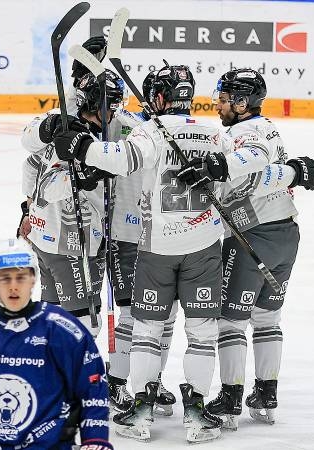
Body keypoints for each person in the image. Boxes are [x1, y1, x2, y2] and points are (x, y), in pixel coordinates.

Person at [52, 62, 227, 444]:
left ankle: (142, 408)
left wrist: (81, 146)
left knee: (147, 328)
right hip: (204, 249)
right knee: (201, 333)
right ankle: (197, 413)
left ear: (159, 97)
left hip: (157, 249)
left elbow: (119, 158)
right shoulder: (214, 134)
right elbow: (233, 174)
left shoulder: (150, 132)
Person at [176, 68, 314, 429]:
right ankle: (266, 391)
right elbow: (267, 168)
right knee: (268, 318)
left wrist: (217, 165)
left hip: (252, 234)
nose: (219, 106)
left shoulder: (243, 133)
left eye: (225, 100)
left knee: (230, 321)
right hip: (286, 234)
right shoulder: (268, 126)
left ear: (242, 103)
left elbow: (252, 158)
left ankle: (230, 396)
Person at [0, 238, 113, 450]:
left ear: (33, 279)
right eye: (5, 278)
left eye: (21, 277)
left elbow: (92, 385)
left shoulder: (62, 330)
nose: (13, 287)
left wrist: (95, 440)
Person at [18, 69, 126, 337]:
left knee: (51, 318)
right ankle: (72, 376)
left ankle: (50, 373)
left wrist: (27, 211)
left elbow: (31, 165)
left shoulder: (94, 129)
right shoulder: (63, 129)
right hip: (70, 243)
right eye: (109, 108)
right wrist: (80, 178)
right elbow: (46, 184)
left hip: (48, 238)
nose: (113, 115)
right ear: (93, 104)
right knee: (84, 325)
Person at [105, 69, 177, 417]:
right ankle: (116, 380)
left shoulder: (175, 131)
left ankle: (152, 379)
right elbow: (97, 113)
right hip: (126, 236)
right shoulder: (124, 122)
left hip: (165, 237)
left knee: (166, 316)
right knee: (133, 312)